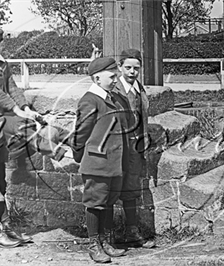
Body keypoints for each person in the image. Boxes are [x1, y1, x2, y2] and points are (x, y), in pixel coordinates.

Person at [0, 25, 67, 248]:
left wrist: (24, 106)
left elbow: (11, 88)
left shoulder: (3, 64)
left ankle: (7, 227)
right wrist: (17, 110)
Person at [71, 57, 127, 263]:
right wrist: (80, 157)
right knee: (95, 204)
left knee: (109, 202)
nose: (116, 80)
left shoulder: (112, 98)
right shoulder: (90, 101)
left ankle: (106, 241)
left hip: (113, 162)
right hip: (97, 163)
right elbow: (80, 134)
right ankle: (94, 245)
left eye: (116, 76)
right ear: (96, 78)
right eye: (112, 76)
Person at [111, 48, 155, 248]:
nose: (132, 72)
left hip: (135, 147)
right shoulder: (114, 90)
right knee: (111, 188)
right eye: (127, 67)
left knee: (131, 187)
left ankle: (132, 230)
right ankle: (106, 234)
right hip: (117, 147)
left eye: (136, 68)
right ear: (120, 67)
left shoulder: (139, 89)